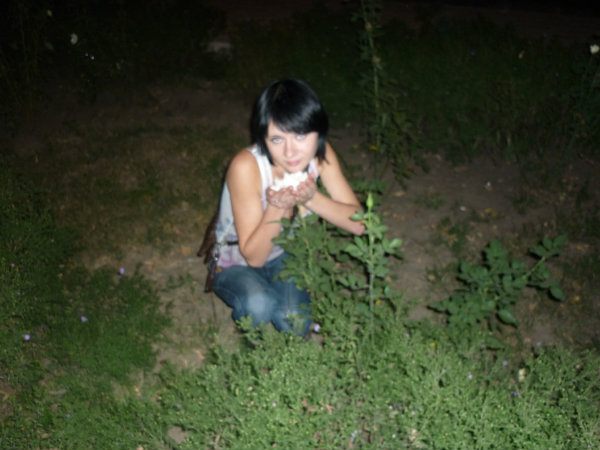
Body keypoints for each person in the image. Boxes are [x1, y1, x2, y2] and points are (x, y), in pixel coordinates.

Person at [208, 79, 364, 337]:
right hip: (235, 262)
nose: (290, 152)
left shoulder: (319, 156)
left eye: (300, 135)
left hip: (284, 254)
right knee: (259, 304)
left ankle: (292, 358)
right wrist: (277, 207)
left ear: (318, 132)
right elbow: (254, 257)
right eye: (277, 139)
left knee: (295, 321)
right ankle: (258, 353)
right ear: (263, 137)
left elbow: (360, 224)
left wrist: (312, 199)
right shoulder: (246, 166)